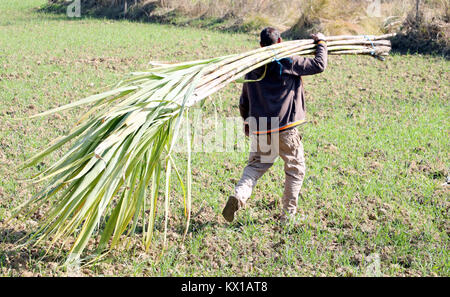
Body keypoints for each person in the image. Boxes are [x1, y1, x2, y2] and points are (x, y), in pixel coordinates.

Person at [222, 27, 327, 225]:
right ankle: (287, 217)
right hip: (286, 128)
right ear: (280, 41)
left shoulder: (252, 67)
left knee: (256, 166)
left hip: (261, 127)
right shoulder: (289, 61)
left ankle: (239, 195)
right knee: (295, 169)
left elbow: (243, 101)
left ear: (261, 45)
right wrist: (321, 43)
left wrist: (247, 121)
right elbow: (319, 64)